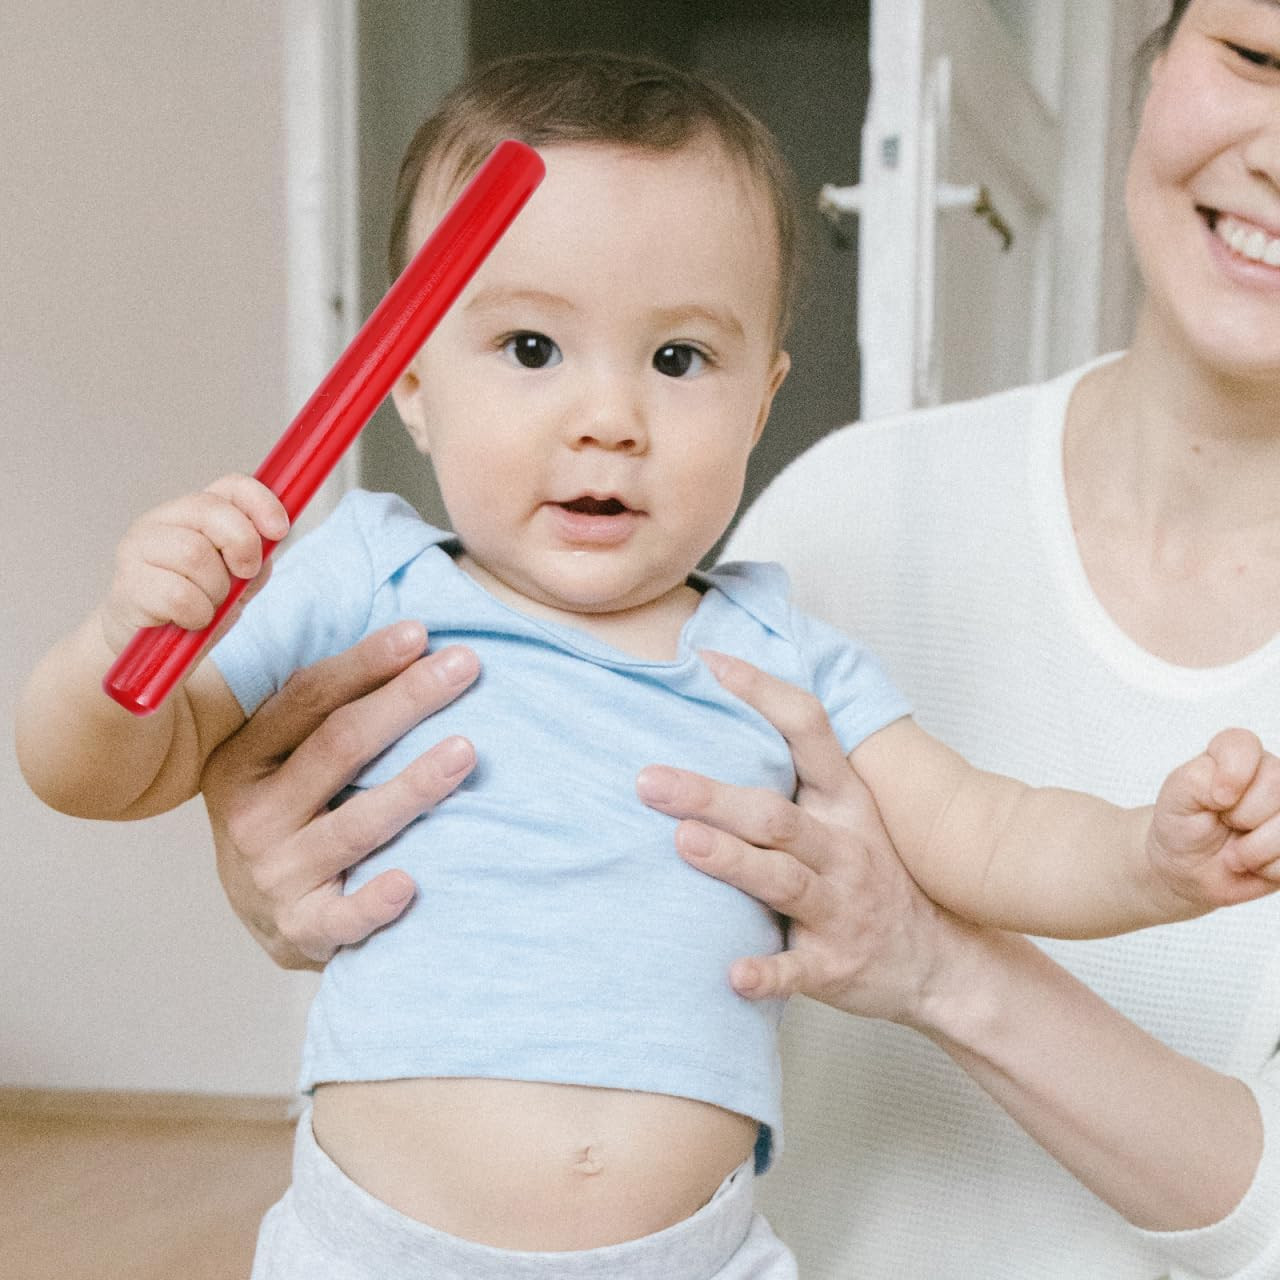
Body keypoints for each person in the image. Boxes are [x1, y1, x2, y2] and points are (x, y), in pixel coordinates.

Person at [17, 35, 1280, 1280]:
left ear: (760, 399)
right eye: (530, 349)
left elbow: (985, 837)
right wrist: (122, 646)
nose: (608, 419)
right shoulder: (364, 578)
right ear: (407, 384)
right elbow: (104, 767)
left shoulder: (776, 648)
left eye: (678, 359)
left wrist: (1145, 855)